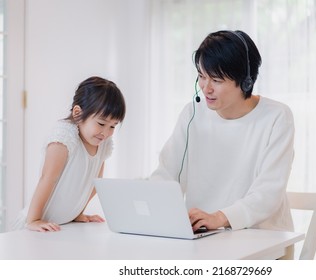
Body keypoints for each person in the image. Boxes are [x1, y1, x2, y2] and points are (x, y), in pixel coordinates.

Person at [151, 30, 295, 237]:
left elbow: (268, 193)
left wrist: (219, 217)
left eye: (216, 80)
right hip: (203, 238)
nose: (205, 88)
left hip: (261, 238)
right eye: (201, 76)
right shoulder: (192, 114)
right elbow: (166, 174)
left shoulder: (277, 117)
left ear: (245, 81)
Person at [12, 76, 126, 232]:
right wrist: (34, 220)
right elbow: (47, 179)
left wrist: (77, 213)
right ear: (78, 113)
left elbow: (93, 183)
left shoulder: (102, 143)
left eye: (113, 126)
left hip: (60, 227)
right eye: (101, 123)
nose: (106, 132)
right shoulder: (64, 138)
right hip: (34, 226)